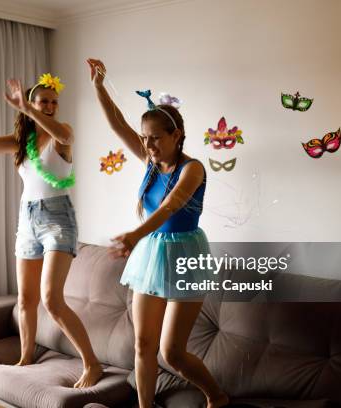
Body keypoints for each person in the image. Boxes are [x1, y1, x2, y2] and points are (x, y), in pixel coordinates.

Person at [87, 58, 229, 407]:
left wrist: (134, 235)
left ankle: (216, 397)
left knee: (173, 352)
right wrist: (98, 87)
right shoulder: (150, 160)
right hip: (153, 255)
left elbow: (169, 208)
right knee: (143, 345)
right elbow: (118, 123)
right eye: (145, 139)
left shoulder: (193, 169)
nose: (148, 146)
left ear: (176, 136)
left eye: (155, 139)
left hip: (186, 256)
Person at [0, 74, 102, 388]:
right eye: (44, 101)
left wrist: (29, 110)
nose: (51, 106)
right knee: (26, 300)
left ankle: (92, 364)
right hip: (27, 219)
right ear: (32, 103)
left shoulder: (62, 133)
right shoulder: (22, 142)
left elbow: (65, 137)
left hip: (58, 218)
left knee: (51, 300)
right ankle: (26, 357)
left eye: (54, 101)